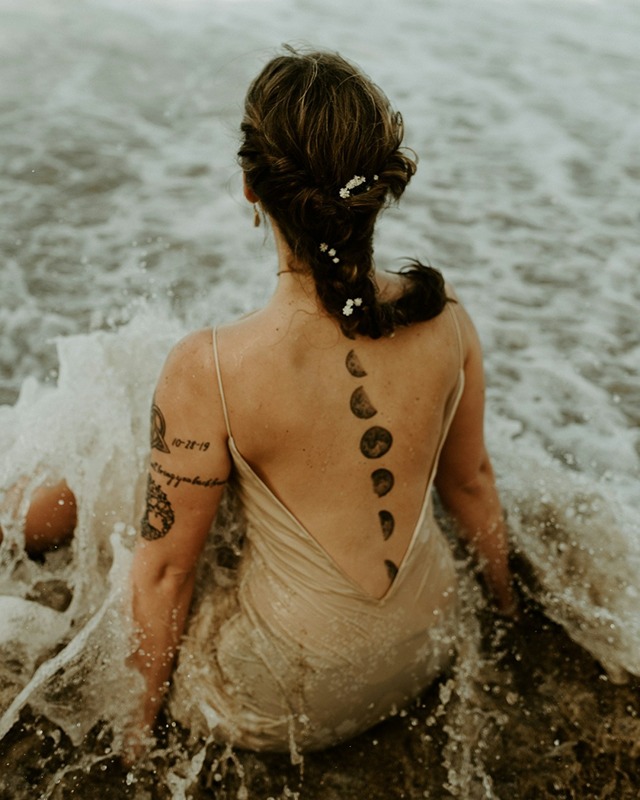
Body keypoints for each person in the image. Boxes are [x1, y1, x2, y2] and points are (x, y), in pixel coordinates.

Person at [2, 48, 514, 755]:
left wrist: (136, 738)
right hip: (428, 643)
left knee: (118, 464)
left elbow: (164, 573)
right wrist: (508, 615)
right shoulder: (444, 313)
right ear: (379, 184)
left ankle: (12, 526)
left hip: (286, 694)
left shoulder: (211, 366)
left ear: (251, 187)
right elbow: (472, 483)